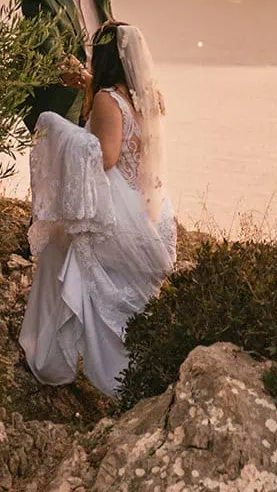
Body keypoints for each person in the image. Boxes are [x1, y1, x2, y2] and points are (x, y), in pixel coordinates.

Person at [18, 22, 176, 397]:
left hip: (117, 210)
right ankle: (142, 366)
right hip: (151, 210)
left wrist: (58, 129)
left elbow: (104, 157)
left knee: (63, 253)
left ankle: (54, 357)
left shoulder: (108, 99)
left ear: (102, 56)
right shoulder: (149, 96)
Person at [20, 0, 113, 132]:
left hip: (100, 95)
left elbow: (107, 16)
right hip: (62, 104)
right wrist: (95, 87)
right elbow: (55, 56)